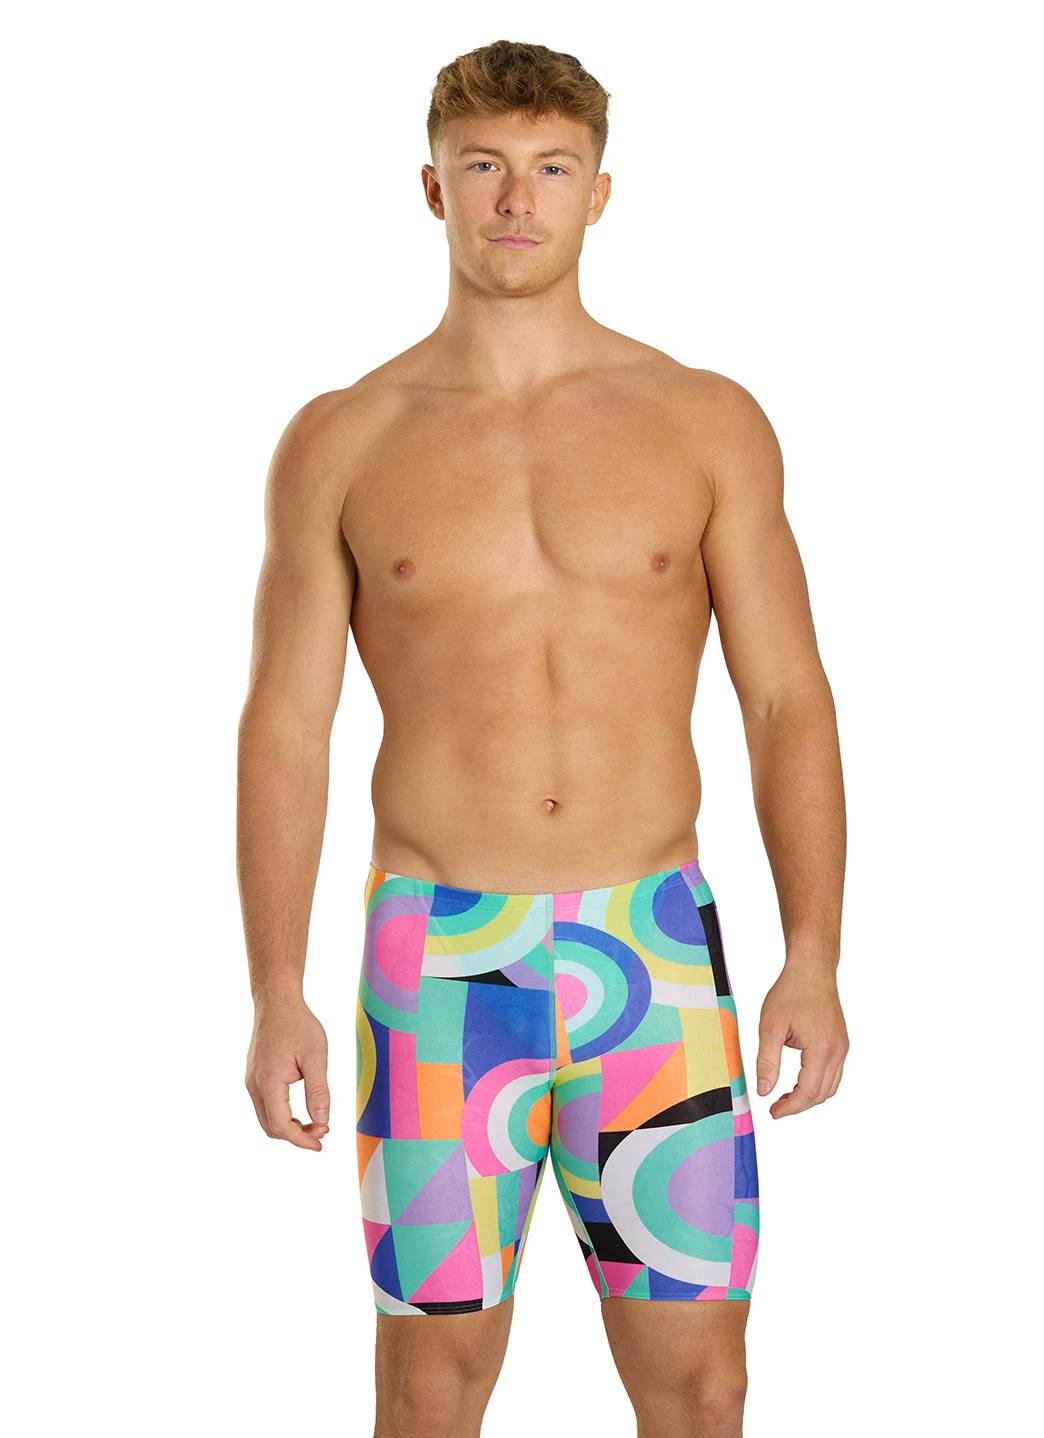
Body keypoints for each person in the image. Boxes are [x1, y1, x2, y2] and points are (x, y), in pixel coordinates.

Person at [238, 37, 849, 1438]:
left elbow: (786, 699)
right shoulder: (342, 439)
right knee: (429, 1385)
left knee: (702, 1383)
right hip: (440, 957)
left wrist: (813, 953)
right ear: (432, 188)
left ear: (599, 194)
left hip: (654, 947)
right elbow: (286, 724)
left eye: (552, 169)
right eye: (486, 168)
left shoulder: (704, 420)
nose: (518, 200)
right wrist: (277, 987)